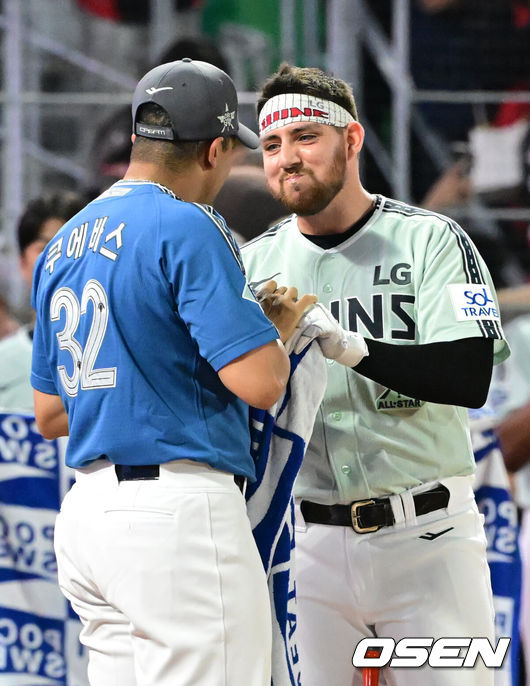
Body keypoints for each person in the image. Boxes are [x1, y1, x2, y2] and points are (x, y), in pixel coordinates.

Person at [30, 59, 314, 686]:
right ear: (216, 149)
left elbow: (49, 415)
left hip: (88, 518)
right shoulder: (187, 224)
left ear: (138, 137)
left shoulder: (63, 241)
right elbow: (263, 384)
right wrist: (275, 330)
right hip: (175, 516)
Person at [241, 63, 510, 686]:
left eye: (307, 136)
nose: (288, 158)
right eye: (273, 145)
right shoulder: (251, 265)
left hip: (428, 537)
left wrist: (353, 348)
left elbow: (469, 376)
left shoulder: (433, 240)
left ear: (353, 139)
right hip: (305, 549)